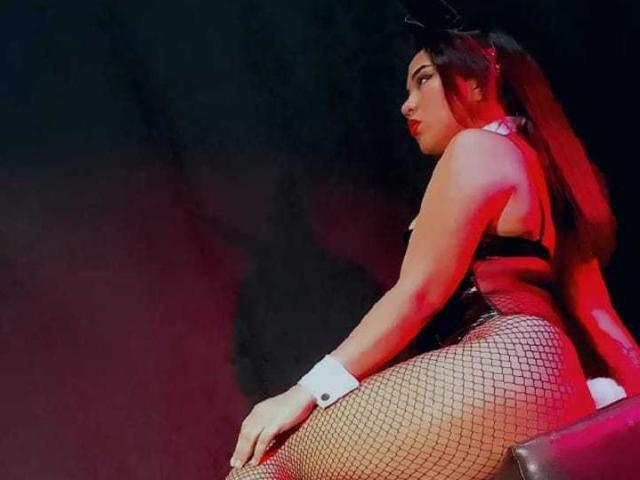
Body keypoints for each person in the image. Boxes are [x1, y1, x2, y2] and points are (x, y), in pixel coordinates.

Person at [225, 6, 640, 479]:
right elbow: (598, 318)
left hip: (505, 366)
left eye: (423, 80)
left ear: (479, 82)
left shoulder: (477, 149)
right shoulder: (546, 175)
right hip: (555, 382)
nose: (407, 104)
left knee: (267, 465)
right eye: (407, 89)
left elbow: (418, 294)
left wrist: (303, 392)